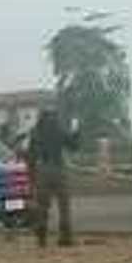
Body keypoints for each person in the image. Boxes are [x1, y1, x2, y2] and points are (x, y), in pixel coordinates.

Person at [28, 106, 81, 248]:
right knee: (64, 206)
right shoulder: (59, 130)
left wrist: (32, 177)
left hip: (43, 170)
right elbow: (74, 146)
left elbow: (30, 157)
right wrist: (76, 131)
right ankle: (65, 237)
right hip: (59, 168)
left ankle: (41, 237)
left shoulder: (35, 133)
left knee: (42, 207)